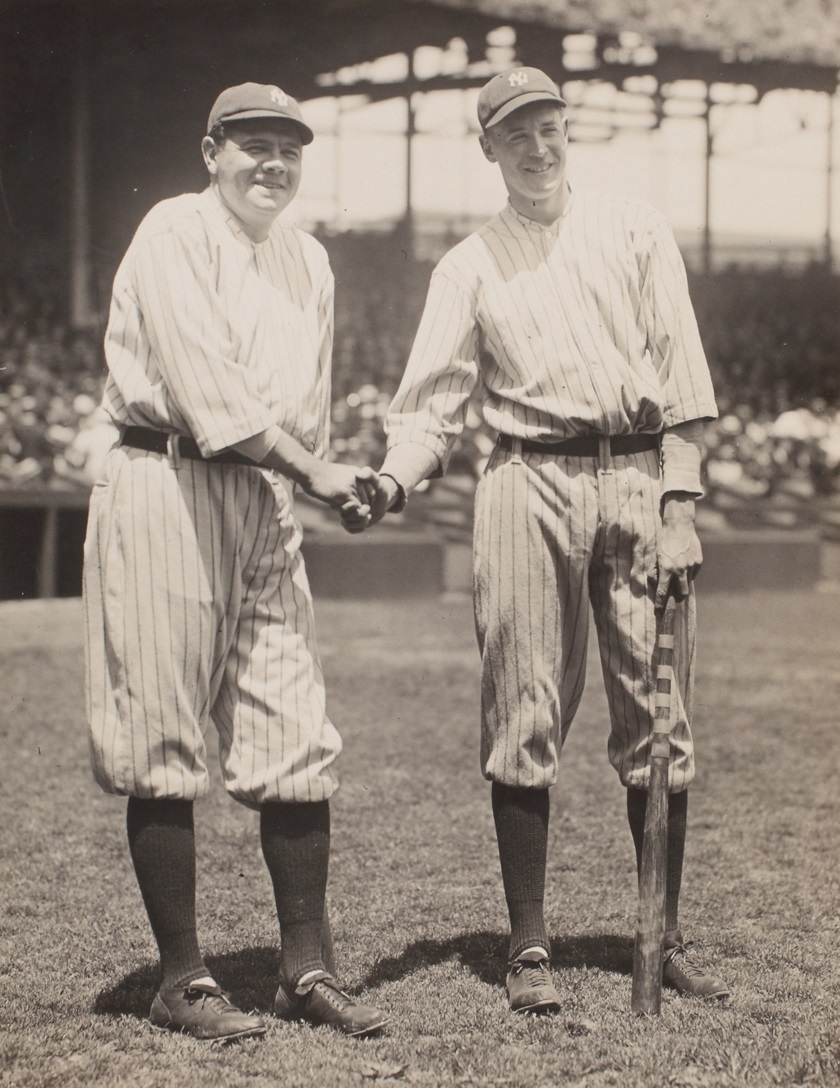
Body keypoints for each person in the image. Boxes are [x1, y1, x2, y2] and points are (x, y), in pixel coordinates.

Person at [372, 66, 730, 1013]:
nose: (538, 146)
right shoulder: (468, 265)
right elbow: (429, 410)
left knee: (660, 722)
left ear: (571, 130)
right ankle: (529, 948)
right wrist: (391, 479)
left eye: (551, 126)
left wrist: (681, 505)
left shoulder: (636, 228)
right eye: (516, 133)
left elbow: (685, 382)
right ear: (488, 147)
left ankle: (665, 933)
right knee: (524, 710)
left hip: (637, 474)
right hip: (524, 476)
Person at [83, 82, 389, 1042]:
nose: (273, 164)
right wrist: (316, 472)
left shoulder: (309, 260)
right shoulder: (175, 231)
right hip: (163, 479)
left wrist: (326, 481)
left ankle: (307, 967)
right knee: (162, 732)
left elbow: (305, 411)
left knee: (295, 730)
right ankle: (181, 978)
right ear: (211, 150)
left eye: (289, 149)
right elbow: (207, 389)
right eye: (253, 145)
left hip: (260, 496)